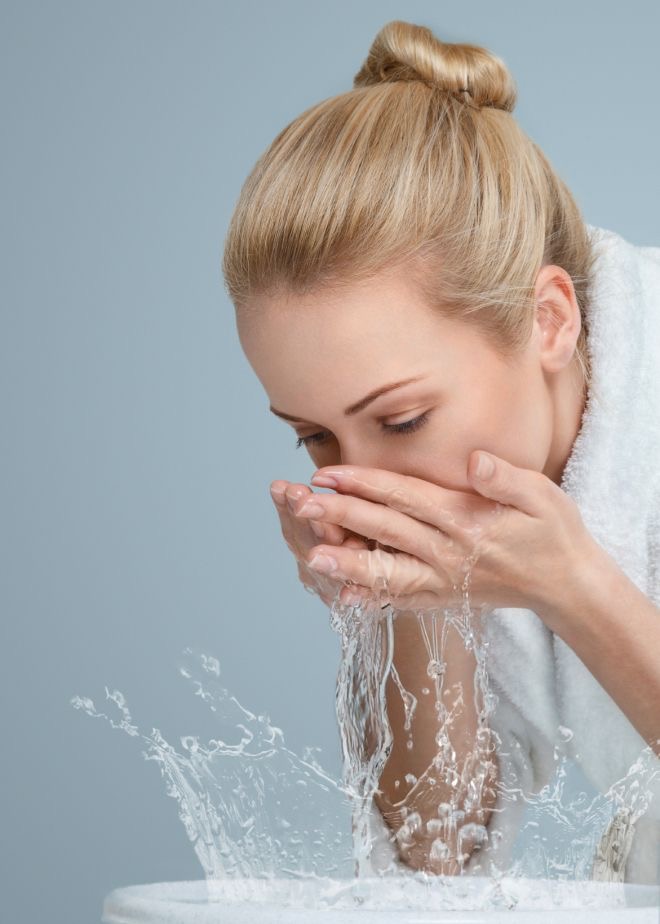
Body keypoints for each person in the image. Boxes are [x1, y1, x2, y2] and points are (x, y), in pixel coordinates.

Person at [222, 20, 660, 883]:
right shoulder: (488, 509)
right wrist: (402, 598)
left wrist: (574, 587)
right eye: (314, 436)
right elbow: (435, 858)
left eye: (403, 420)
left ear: (548, 321)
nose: (364, 482)